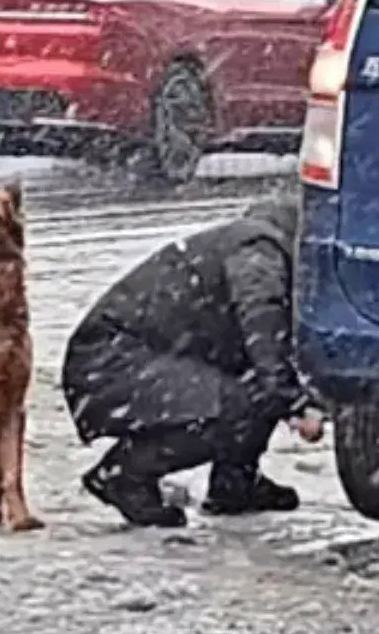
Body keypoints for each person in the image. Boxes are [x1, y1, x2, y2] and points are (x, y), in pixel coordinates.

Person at [61, 194, 324, 527]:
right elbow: (263, 323)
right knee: (239, 403)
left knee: (256, 390)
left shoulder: (253, 243)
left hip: (119, 356)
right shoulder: (259, 249)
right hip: (110, 359)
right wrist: (295, 402)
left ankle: (234, 485)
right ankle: (125, 475)